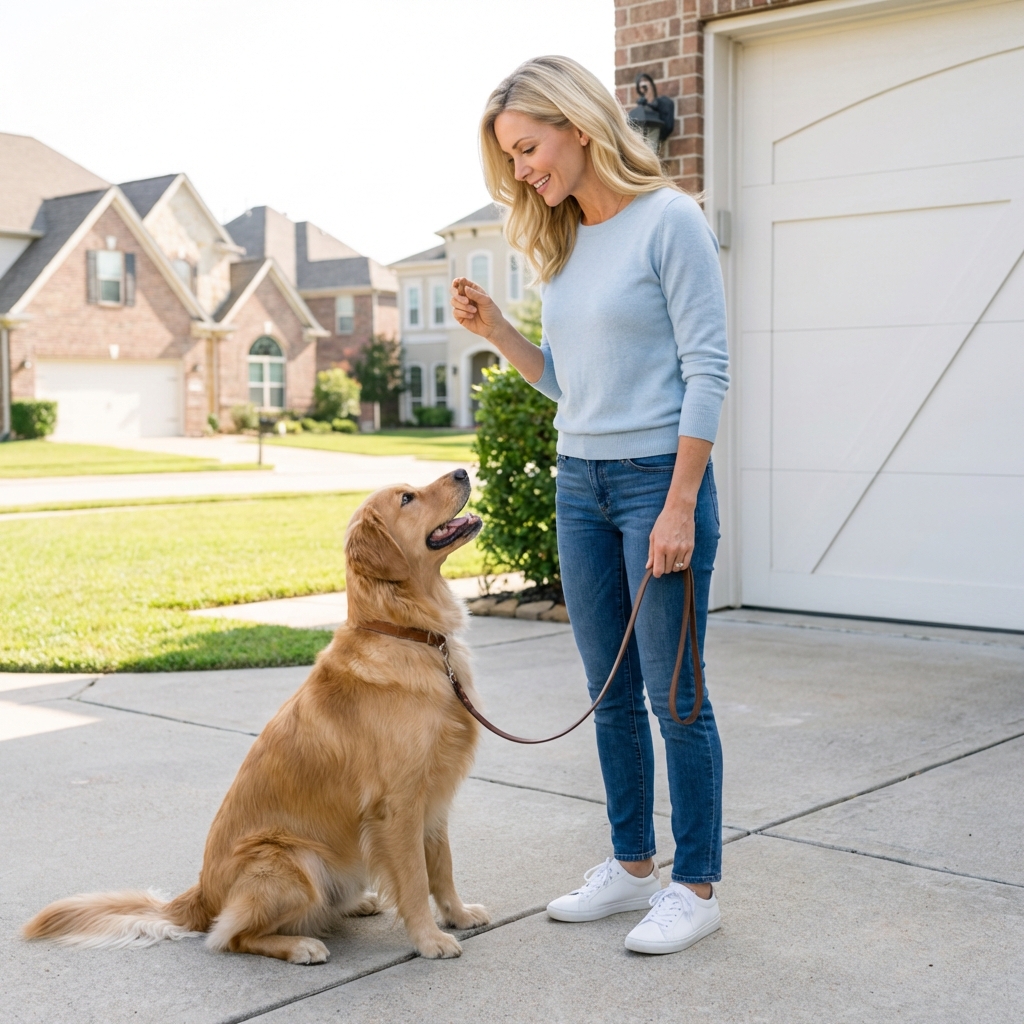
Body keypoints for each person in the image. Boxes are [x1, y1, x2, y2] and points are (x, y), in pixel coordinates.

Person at [451, 55, 729, 956]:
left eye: (529, 148)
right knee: (608, 694)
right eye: (512, 160)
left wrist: (680, 504)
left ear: (577, 124)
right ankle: (631, 866)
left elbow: (707, 372)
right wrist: (500, 333)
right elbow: (570, 386)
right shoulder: (564, 246)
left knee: (673, 696)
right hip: (582, 483)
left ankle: (695, 885)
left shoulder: (670, 221)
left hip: (657, 483)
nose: (524, 171)